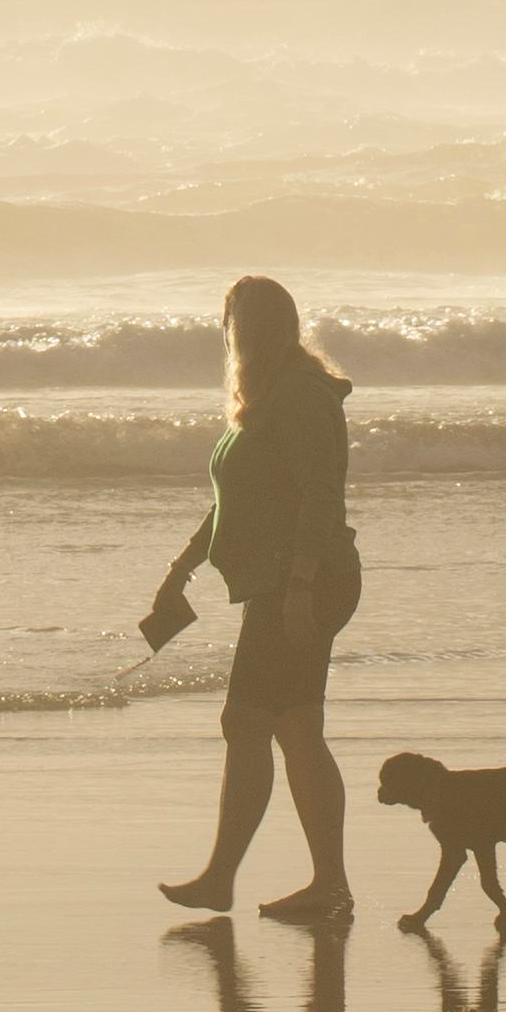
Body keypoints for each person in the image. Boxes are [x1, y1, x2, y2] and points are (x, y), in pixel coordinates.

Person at [142, 272, 360, 923]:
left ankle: (258, 880)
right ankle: (312, 882)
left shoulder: (299, 396)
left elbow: (322, 493)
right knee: (289, 726)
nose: (226, 333)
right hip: (283, 579)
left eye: (231, 320)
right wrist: (180, 569)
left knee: (253, 722)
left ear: (250, 328)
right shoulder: (267, 400)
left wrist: (298, 585)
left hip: (305, 579)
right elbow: (231, 506)